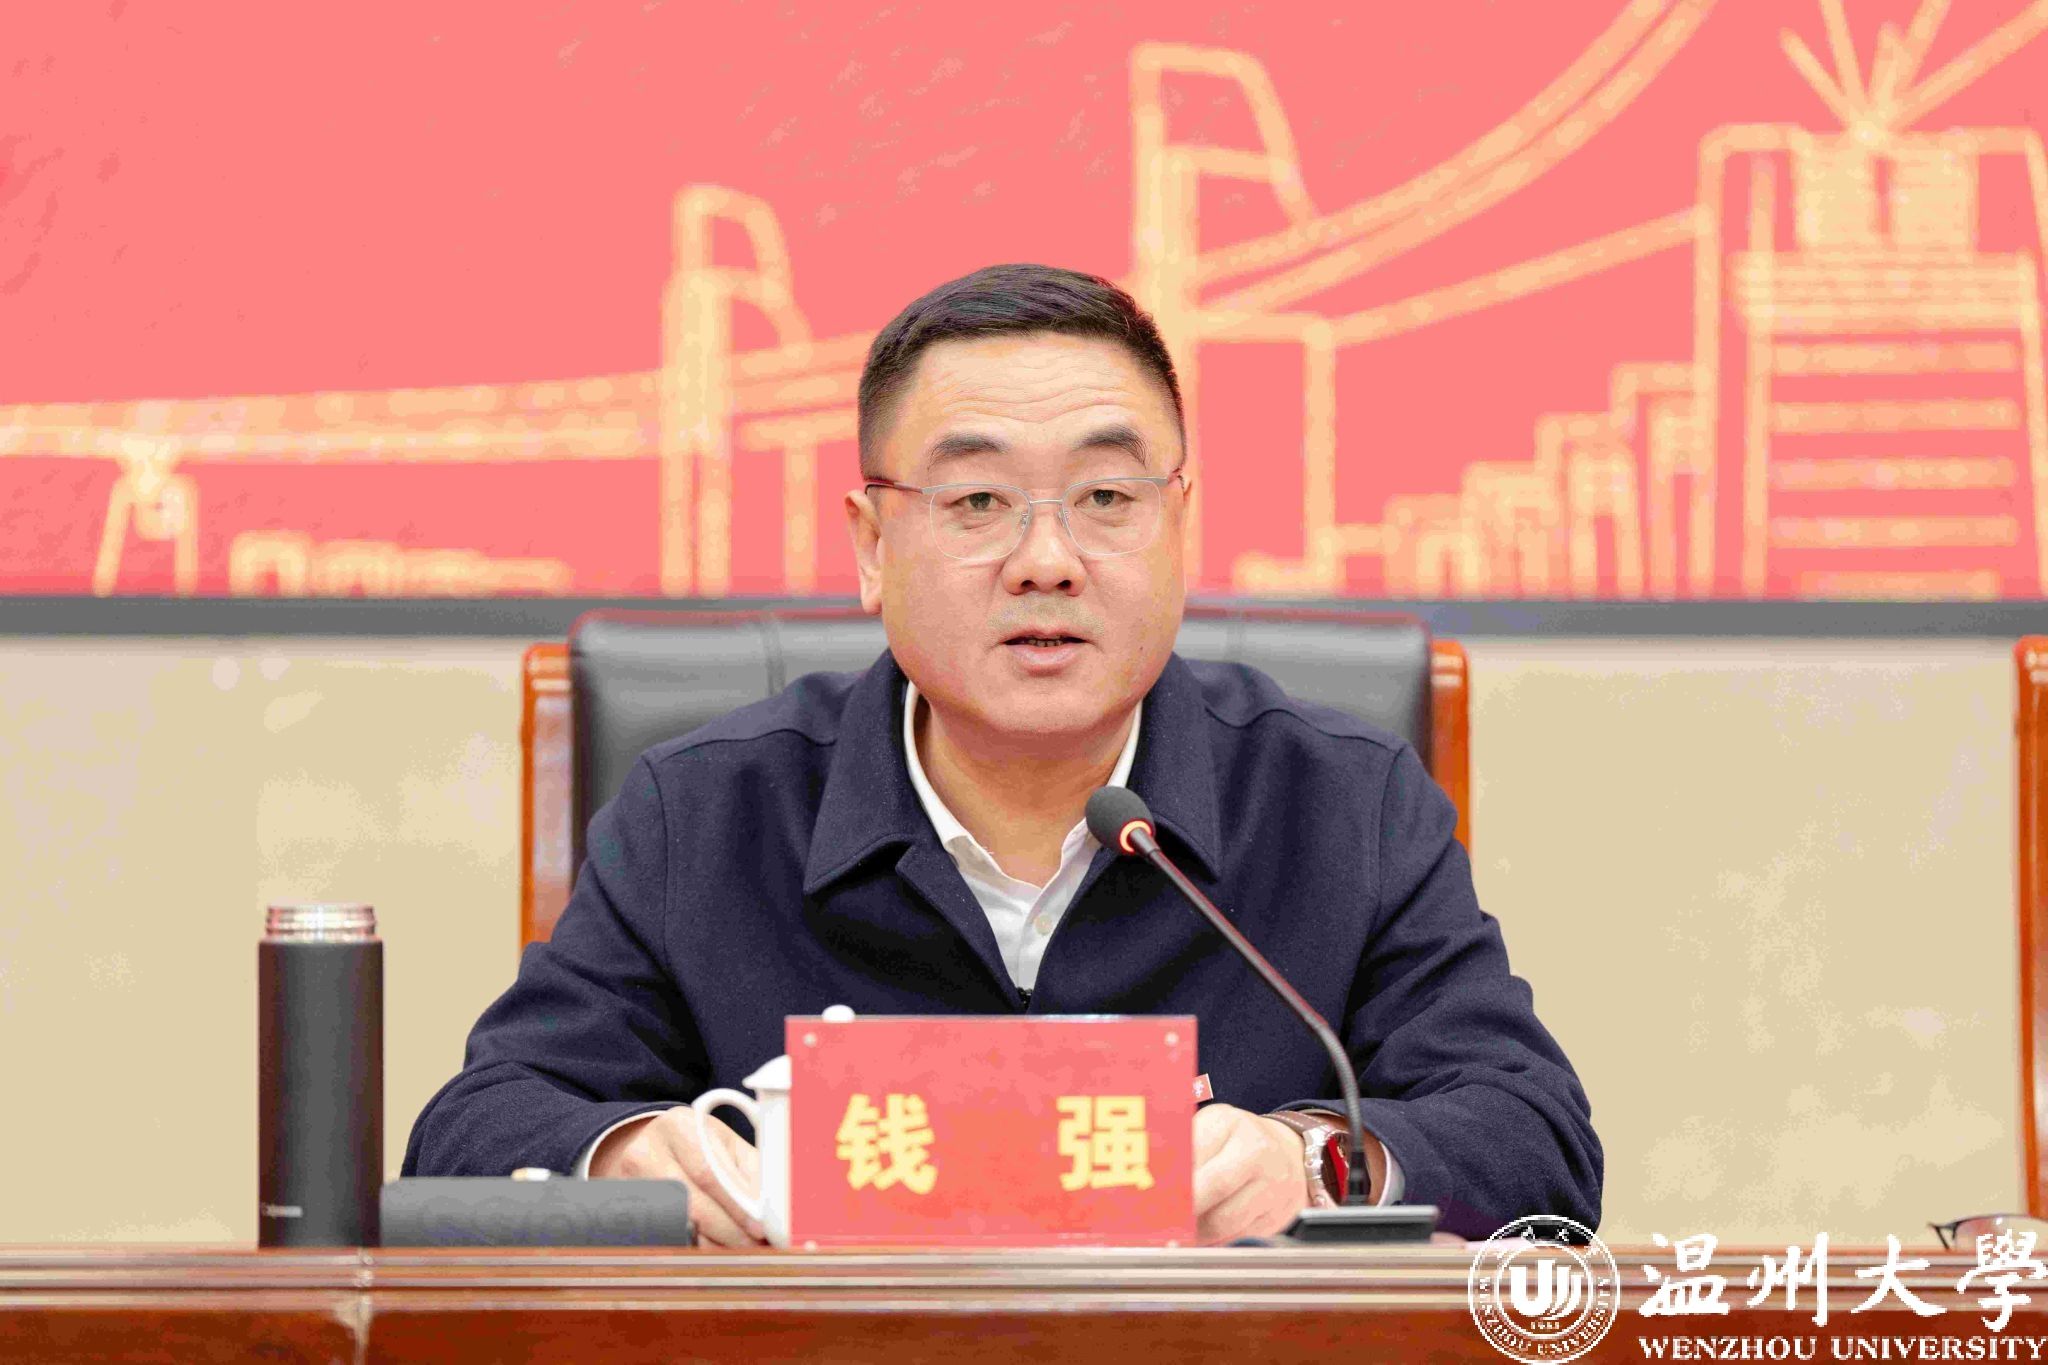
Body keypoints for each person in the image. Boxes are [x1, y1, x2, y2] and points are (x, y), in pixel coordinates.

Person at [404, 264, 1601, 1245]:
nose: (1046, 561)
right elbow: (468, 1134)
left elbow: (1536, 1143)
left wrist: (1316, 1162)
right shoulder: (707, 810)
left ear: (1179, 526)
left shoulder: (1338, 800)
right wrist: (625, 1156)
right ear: (870, 547)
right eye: (977, 503)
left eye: (1107, 497)